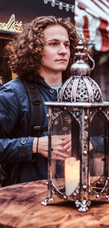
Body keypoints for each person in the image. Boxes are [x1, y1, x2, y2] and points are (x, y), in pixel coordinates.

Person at [0, 16, 79, 186]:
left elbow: (106, 138)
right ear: (34, 49)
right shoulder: (13, 93)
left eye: (67, 45)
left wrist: (87, 141)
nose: (63, 51)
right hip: (28, 200)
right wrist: (34, 145)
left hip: (75, 192)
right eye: (53, 44)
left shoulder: (79, 89)